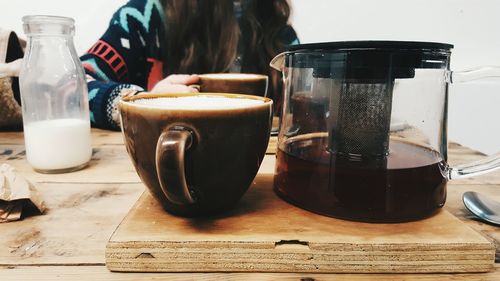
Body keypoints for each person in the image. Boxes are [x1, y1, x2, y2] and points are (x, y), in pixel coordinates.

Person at [80, 0, 299, 130]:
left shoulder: (278, 31)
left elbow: (307, 108)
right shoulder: (144, 16)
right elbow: (70, 89)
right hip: (153, 173)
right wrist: (140, 104)